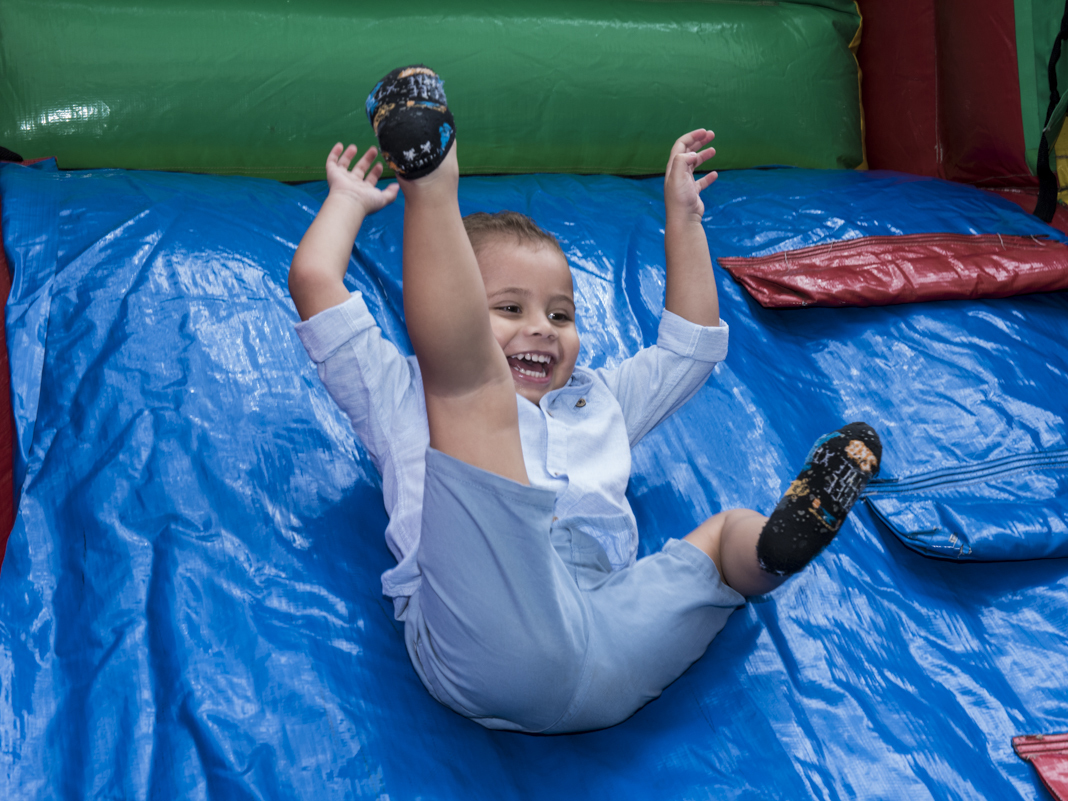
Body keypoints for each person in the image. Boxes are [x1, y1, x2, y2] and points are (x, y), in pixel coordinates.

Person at [288, 71, 881, 733]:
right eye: (509, 308)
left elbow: (692, 349)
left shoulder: (596, 399)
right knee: (466, 386)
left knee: (721, 542)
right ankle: (429, 182)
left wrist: (682, 218)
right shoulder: (398, 388)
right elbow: (316, 280)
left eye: (561, 313)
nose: (542, 327)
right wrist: (347, 199)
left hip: (611, 640)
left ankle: (772, 552)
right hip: (487, 633)